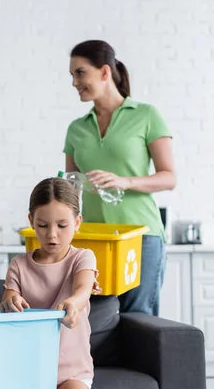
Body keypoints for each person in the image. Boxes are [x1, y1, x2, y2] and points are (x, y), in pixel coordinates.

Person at [64, 40, 176, 316]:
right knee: (99, 318)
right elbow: (69, 186)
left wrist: (125, 181)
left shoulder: (146, 115)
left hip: (141, 236)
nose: (75, 82)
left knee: (139, 319)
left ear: (104, 72)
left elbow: (169, 177)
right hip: (94, 239)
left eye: (80, 73)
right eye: (72, 75)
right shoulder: (76, 128)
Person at [0, 177, 101, 389]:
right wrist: (11, 301)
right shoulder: (19, 265)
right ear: (31, 221)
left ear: (77, 222)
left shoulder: (83, 258)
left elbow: (83, 289)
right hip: (27, 370)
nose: (52, 234)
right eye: (43, 225)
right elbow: (8, 298)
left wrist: (73, 303)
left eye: (62, 225)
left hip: (73, 373)